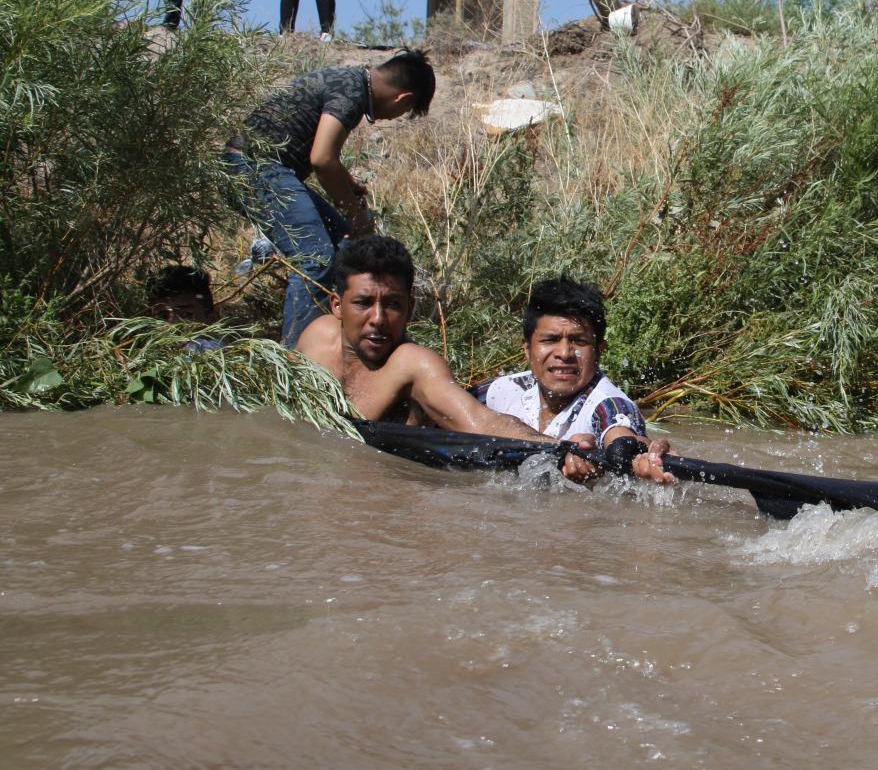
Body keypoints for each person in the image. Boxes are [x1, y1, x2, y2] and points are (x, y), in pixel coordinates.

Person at [296, 237, 673, 484]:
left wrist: (574, 450)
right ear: (336, 306)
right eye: (363, 303)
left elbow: (475, 420)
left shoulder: (415, 366)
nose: (378, 319)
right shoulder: (313, 338)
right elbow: (479, 403)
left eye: (393, 305)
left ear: (410, 309)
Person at [225, 48, 436, 345]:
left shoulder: (349, 81)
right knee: (315, 257)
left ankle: (338, 340)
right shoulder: (352, 92)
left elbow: (326, 157)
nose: (393, 118)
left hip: (261, 168)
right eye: (402, 113)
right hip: (252, 167)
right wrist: (356, 216)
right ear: (403, 98)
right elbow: (322, 158)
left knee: (342, 246)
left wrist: (347, 183)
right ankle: (297, 357)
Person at [470, 275, 677, 482]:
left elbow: (622, 436)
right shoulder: (504, 389)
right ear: (527, 350)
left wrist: (641, 455)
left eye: (579, 341)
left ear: (599, 351)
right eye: (550, 340)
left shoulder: (607, 403)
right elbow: (448, 410)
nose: (565, 353)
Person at [148, 265, 223, 352]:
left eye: (186, 314)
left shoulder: (213, 352)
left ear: (212, 321)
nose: (174, 324)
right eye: (163, 317)